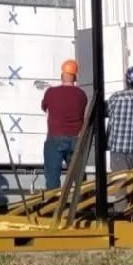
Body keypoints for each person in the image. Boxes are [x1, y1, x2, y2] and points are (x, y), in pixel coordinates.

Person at [41, 59, 88, 191]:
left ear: (62, 75)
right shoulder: (81, 95)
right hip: (75, 139)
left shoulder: (51, 92)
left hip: (54, 138)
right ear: (75, 77)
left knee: (52, 178)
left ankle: (53, 206)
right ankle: (81, 204)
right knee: (78, 178)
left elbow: (44, 107)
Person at [106, 66, 133, 172]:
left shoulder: (116, 97)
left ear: (126, 80)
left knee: (121, 184)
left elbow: (110, 118)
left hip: (119, 149)